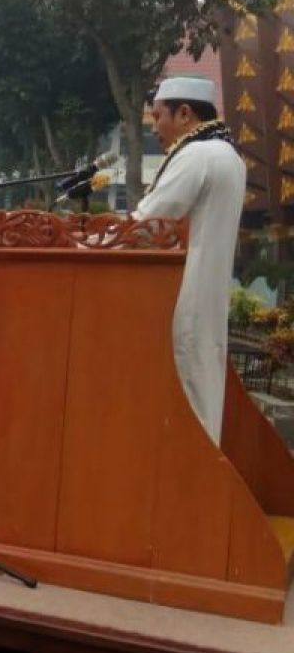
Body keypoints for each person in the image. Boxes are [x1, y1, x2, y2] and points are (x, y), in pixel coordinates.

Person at [132, 76, 246, 445]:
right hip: (207, 291)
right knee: (203, 386)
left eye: (158, 116)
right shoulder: (228, 156)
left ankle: (190, 488)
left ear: (184, 113)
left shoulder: (197, 155)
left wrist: (86, 244)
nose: (155, 128)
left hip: (186, 294)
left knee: (187, 388)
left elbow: (147, 225)